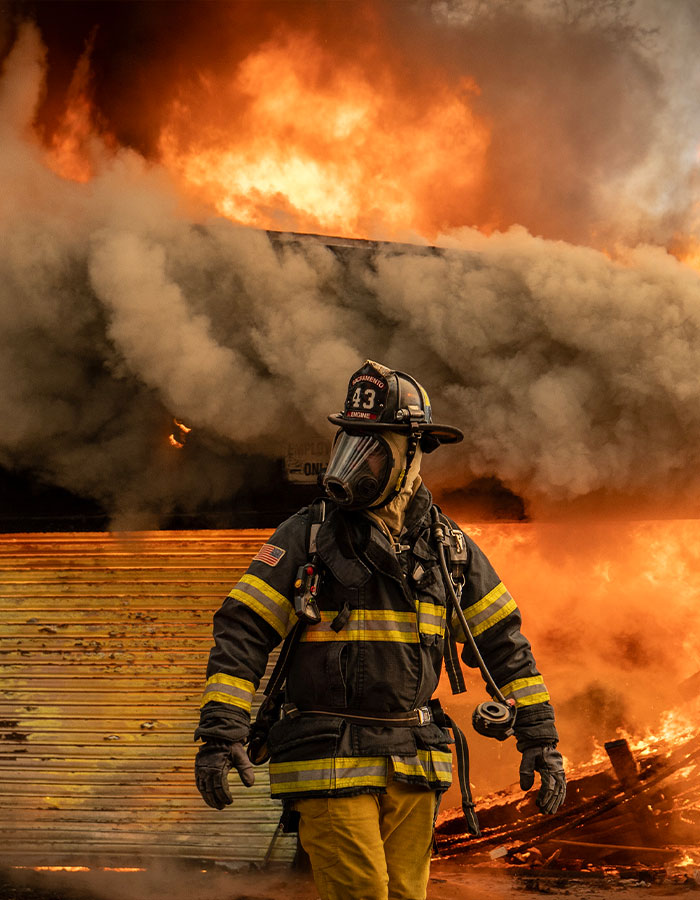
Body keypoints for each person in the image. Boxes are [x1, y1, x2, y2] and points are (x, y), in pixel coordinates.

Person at [194, 359, 565, 900]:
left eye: (372, 449)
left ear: (412, 452)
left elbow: (502, 643)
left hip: (413, 756)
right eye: (349, 443)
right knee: (363, 893)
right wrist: (222, 730)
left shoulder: (449, 548)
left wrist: (540, 736)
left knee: (404, 896)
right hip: (328, 755)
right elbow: (243, 627)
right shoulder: (307, 535)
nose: (352, 465)